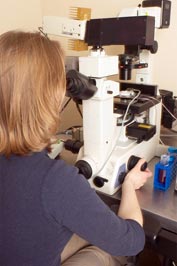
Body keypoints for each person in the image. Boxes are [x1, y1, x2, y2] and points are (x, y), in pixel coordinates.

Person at [0, 30, 152, 266]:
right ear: (47, 96)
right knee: (112, 252)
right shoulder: (54, 180)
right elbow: (132, 240)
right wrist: (130, 186)